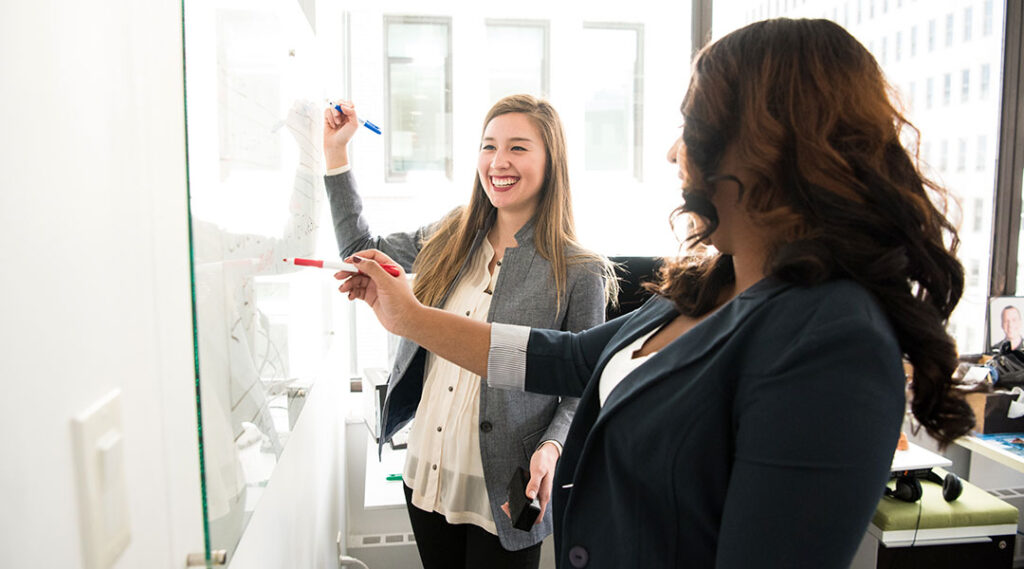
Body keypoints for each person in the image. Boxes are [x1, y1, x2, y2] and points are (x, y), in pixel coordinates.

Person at [334, 18, 975, 568]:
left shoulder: (832, 339)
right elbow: (568, 358)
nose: (673, 154)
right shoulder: (706, 286)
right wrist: (410, 319)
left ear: (766, 145)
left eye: (691, 127)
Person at [322, 94, 614, 568]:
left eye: (518, 148)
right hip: (429, 469)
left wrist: (553, 445)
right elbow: (362, 249)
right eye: (489, 146)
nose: (499, 161)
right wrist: (337, 154)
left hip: (512, 485)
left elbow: (583, 385)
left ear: (551, 160)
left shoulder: (580, 270)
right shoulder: (453, 233)